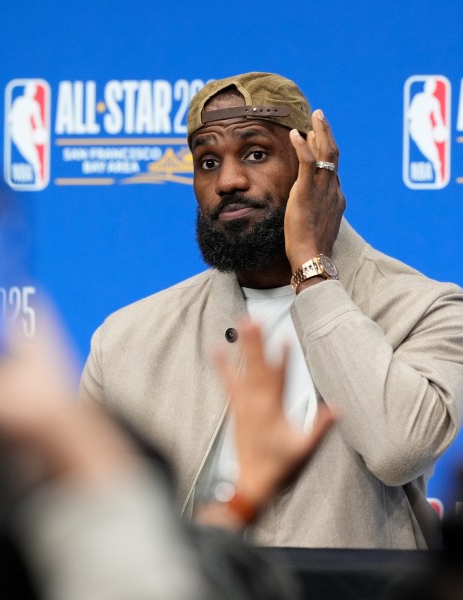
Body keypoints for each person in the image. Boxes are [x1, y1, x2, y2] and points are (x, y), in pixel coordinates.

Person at [79, 71, 463, 549]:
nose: (228, 181)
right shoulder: (125, 341)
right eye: (208, 161)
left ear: (313, 162)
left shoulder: (426, 307)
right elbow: (84, 522)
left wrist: (313, 270)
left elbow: (399, 450)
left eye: (256, 154)